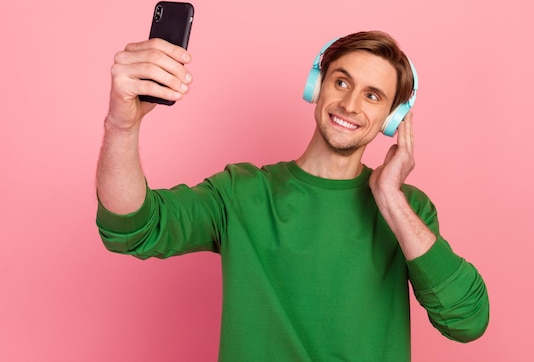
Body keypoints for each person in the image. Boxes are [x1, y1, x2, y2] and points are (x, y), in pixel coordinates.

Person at [96, 31, 489, 361]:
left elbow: (467, 321)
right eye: (341, 82)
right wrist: (122, 124)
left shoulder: (409, 210)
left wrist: (389, 197)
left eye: (372, 96)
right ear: (316, 87)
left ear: (393, 118)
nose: (350, 104)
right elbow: (132, 227)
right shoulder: (242, 192)